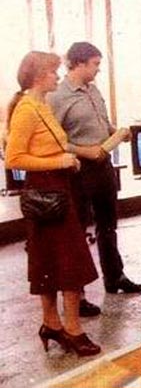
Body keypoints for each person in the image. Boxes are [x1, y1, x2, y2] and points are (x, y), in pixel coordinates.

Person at [4, 51, 101, 356]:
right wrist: (59, 161)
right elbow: (14, 158)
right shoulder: (27, 109)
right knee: (69, 262)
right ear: (38, 76)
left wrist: (66, 159)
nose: (58, 76)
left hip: (57, 189)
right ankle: (72, 329)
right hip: (46, 193)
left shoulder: (41, 105)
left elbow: (45, 147)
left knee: (52, 262)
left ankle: (52, 324)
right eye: (53, 72)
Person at [48, 42, 141, 312]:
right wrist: (85, 151)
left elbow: (102, 123)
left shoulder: (93, 89)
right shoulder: (56, 96)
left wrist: (117, 133)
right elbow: (54, 141)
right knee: (77, 231)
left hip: (103, 166)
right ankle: (76, 296)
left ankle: (115, 277)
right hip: (78, 169)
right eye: (95, 64)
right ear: (78, 63)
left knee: (108, 225)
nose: (98, 70)